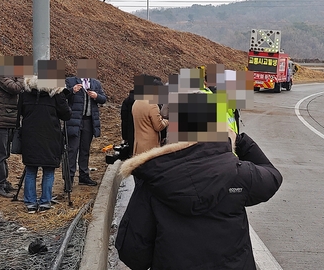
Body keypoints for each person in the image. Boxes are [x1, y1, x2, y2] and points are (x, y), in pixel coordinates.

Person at [115, 89, 282, 270]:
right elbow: (272, 177)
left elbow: (133, 255)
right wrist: (240, 141)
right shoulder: (238, 173)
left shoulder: (153, 179)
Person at [18, 62, 72, 213]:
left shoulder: (26, 92)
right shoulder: (56, 94)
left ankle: (29, 203)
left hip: (30, 137)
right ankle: (45, 202)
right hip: (51, 137)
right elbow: (67, 115)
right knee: (48, 171)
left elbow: (21, 111)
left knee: (30, 170)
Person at [0, 55, 27, 198]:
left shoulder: (8, 76)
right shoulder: (2, 76)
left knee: (5, 154)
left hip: (6, 121)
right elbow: (15, 88)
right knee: (0, 155)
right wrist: (22, 77)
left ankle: (4, 182)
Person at [66, 59, 107, 186]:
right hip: (74, 121)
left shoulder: (95, 83)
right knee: (72, 150)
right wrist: (72, 91)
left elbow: (103, 99)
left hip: (89, 121)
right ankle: (69, 178)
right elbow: (62, 97)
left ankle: (84, 176)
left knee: (85, 149)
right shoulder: (70, 81)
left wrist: (96, 96)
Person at [132, 75, 168, 156]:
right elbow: (158, 126)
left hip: (138, 144)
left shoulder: (137, 102)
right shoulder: (152, 105)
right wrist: (166, 121)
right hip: (150, 145)